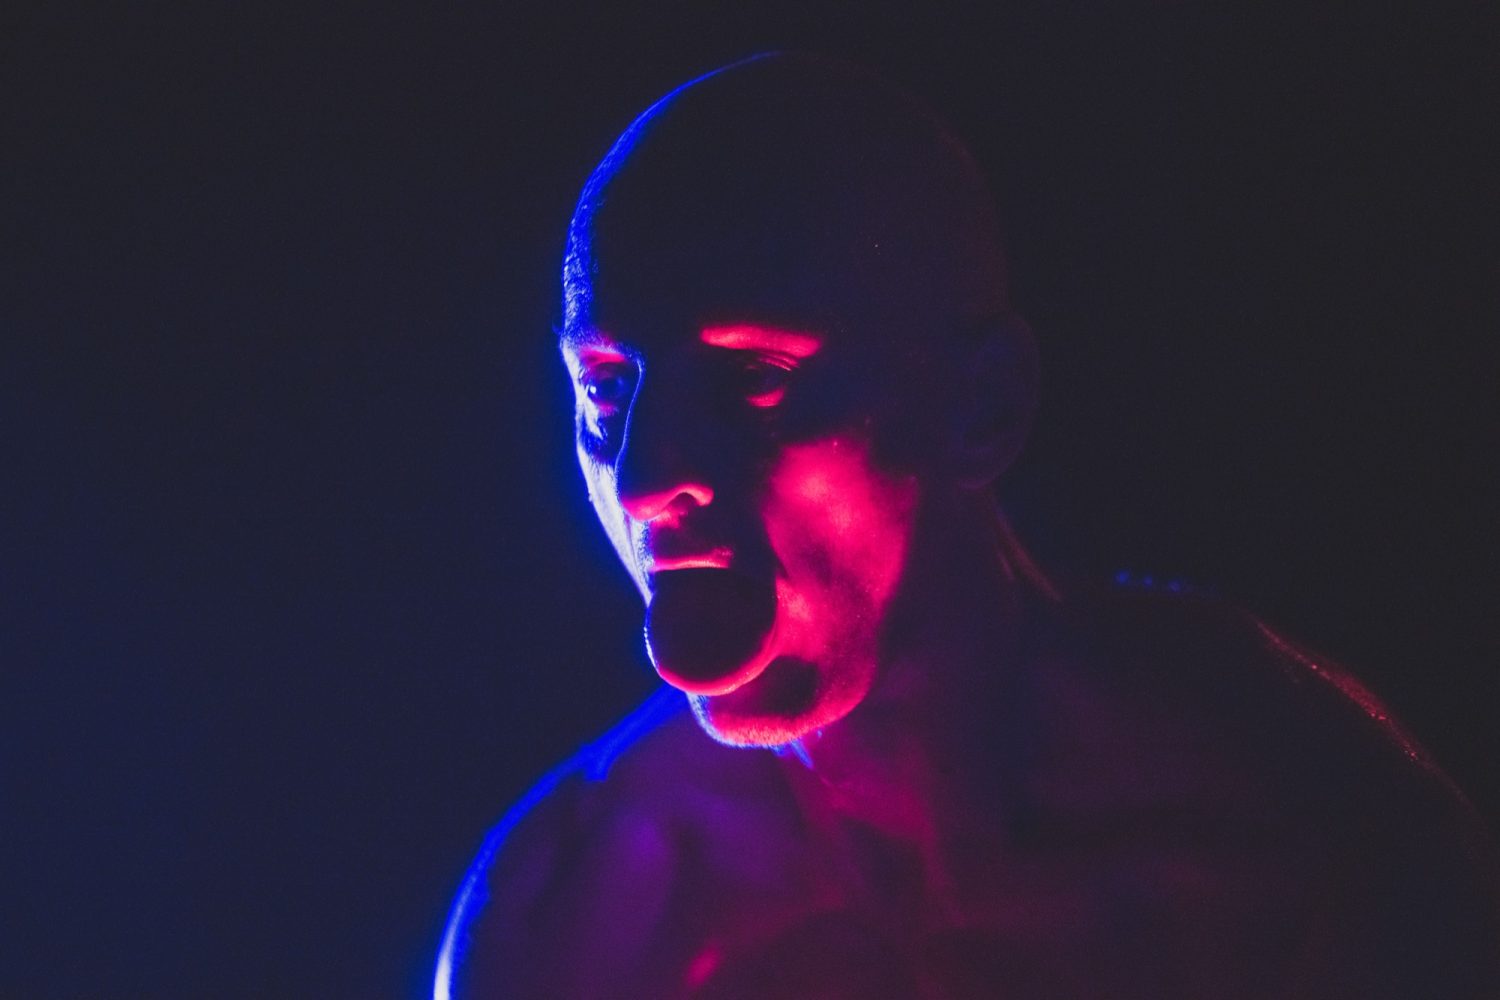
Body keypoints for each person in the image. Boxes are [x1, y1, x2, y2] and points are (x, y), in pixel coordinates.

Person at [435, 53, 1499, 998]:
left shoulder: (1297, 834)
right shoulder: (569, 922)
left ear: (982, 408)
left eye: (756, 378)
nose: (644, 478)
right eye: (607, 394)